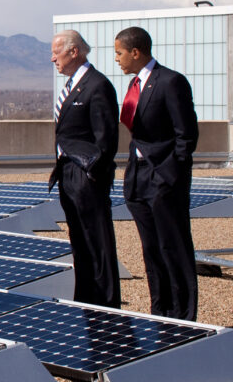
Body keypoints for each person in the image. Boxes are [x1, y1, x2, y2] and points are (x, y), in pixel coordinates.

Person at [114, 26, 199, 321]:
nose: (117, 59)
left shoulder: (170, 82)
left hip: (164, 181)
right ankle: (160, 311)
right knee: (151, 249)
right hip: (139, 180)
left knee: (172, 246)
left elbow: (185, 136)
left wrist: (170, 176)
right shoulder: (135, 84)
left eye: (120, 53)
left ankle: (183, 316)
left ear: (135, 52)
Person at [48, 30, 121, 308]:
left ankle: (106, 303)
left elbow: (106, 138)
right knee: (80, 242)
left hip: (86, 176)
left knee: (97, 242)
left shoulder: (97, 85)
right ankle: (87, 299)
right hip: (68, 176)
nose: (53, 58)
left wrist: (91, 174)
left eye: (57, 52)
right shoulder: (73, 86)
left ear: (74, 51)